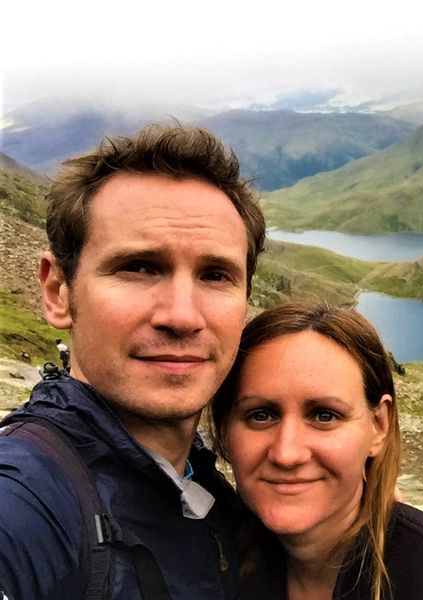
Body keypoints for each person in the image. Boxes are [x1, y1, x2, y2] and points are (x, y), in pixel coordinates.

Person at [0, 124, 266, 599]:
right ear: (58, 291)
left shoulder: (209, 492)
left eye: (215, 274)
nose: (182, 316)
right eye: (138, 267)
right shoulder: (24, 502)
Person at [211, 302, 423, 600]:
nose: (287, 454)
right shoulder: (209, 552)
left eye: (325, 415)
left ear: (378, 426)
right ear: (224, 430)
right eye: (261, 415)